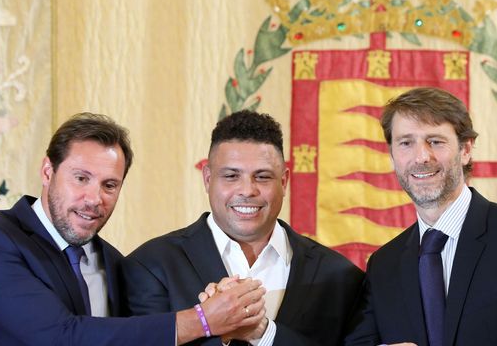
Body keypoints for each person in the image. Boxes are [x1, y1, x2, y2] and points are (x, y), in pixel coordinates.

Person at [0, 112, 266, 345]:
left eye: (109, 185)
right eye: (81, 178)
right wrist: (202, 319)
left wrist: (224, 310)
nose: (94, 198)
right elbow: (62, 337)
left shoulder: (113, 261)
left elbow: (135, 338)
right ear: (48, 171)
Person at [345, 87, 497, 346]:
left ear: (466, 150)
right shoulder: (384, 264)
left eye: (435, 141)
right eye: (406, 143)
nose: (421, 156)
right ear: (392, 155)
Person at [123, 110, 365, 345]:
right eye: (231, 176)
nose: (247, 190)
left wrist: (263, 333)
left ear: (284, 182)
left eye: (262, 177)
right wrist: (212, 324)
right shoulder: (152, 265)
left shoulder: (340, 277)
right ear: (208, 179)